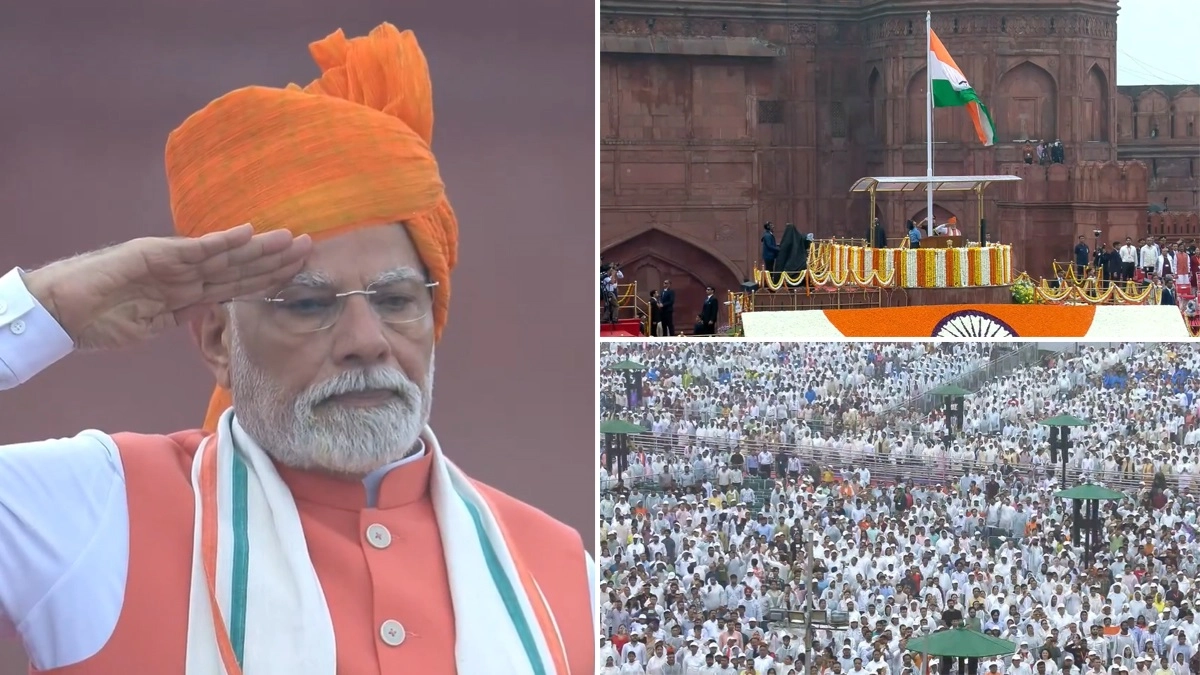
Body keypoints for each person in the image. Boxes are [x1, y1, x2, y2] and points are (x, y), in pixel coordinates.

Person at [0, 23, 593, 675]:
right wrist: (48, 306)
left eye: (396, 300)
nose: (366, 342)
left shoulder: (564, 576)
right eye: (310, 304)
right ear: (220, 339)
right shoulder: (98, 515)